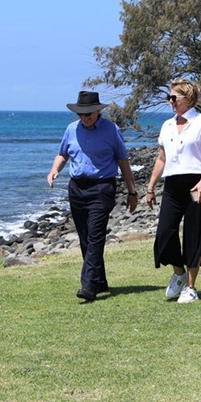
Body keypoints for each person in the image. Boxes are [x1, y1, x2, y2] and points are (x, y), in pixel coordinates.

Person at [47, 91, 139, 302]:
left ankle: (88, 286)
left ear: (98, 111)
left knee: (96, 236)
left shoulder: (111, 130)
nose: (85, 118)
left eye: (89, 114)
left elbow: (123, 160)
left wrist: (132, 191)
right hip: (77, 188)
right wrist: (54, 170)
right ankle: (100, 280)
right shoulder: (71, 130)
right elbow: (62, 154)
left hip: (102, 187)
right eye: (81, 114)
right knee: (86, 238)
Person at [144, 80, 201, 304]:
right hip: (172, 185)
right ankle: (179, 273)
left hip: (196, 184)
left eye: (174, 98)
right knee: (164, 234)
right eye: (170, 98)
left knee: (193, 236)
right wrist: (150, 187)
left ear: (188, 99)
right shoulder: (166, 125)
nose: (171, 102)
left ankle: (191, 287)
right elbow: (161, 158)